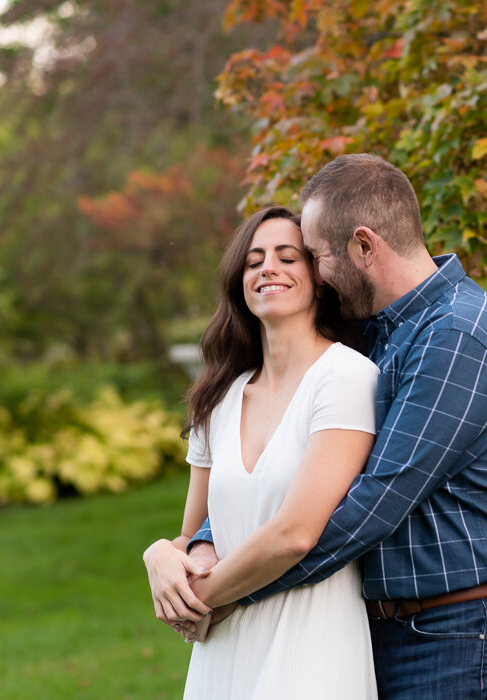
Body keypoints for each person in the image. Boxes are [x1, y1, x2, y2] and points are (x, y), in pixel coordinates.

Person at [152, 153, 487, 698]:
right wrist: (199, 544)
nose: (314, 273)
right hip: (380, 625)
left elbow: (363, 510)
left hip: (455, 630)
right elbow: (296, 483)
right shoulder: (377, 335)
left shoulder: (458, 336)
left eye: (315, 256)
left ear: (364, 247)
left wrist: (217, 595)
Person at [142, 205, 380, 698]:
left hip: (311, 642)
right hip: (223, 650)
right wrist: (161, 555)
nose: (268, 268)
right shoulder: (217, 399)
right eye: (253, 261)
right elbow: (195, 537)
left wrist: (199, 599)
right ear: (239, 283)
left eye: (287, 257)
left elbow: (295, 534)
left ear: (318, 278)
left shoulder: (347, 377)